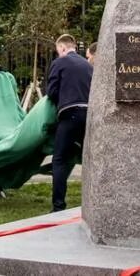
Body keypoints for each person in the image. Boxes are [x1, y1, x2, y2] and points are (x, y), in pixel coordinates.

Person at [46, 34, 93, 212]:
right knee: (88, 158)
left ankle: (58, 206)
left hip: (69, 114)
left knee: (59, 159)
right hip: (88, 114)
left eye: (59, 51)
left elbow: (51, 92)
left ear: (63, 48)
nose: (58, 54)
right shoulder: (87, 65)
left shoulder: (60, 62)